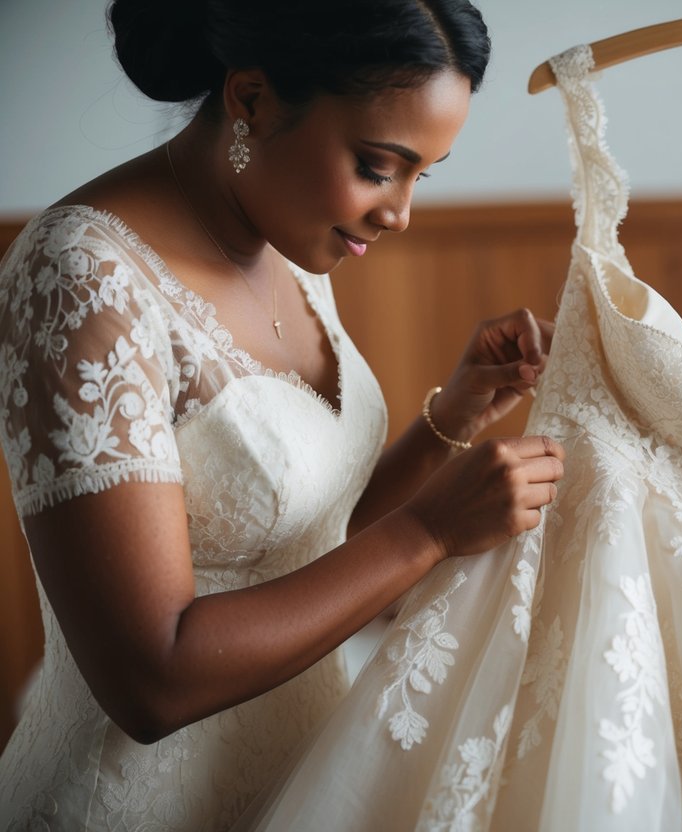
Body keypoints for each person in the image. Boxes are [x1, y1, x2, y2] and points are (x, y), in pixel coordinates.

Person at [0, 0, 565, 828]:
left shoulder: (289, 243)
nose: (400, 212)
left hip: (306, 786)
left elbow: (309, 545)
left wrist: (454, 413)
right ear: (253, 99)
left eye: (422, 173)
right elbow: (151, 681)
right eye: (380, 165)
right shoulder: (80, 277)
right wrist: (431, 533)